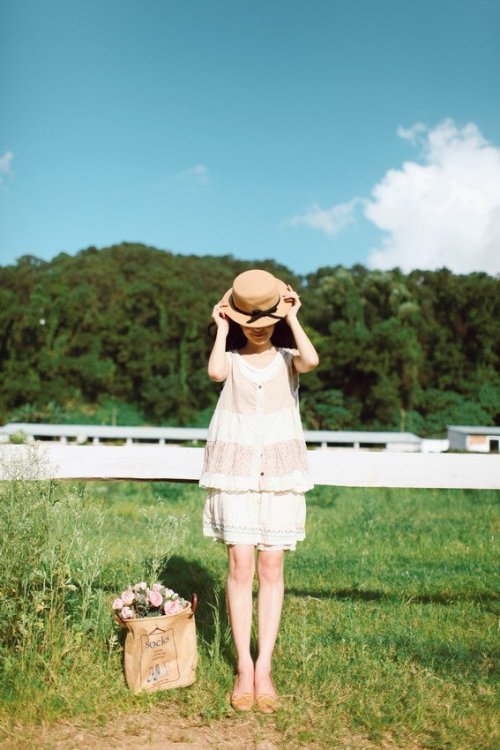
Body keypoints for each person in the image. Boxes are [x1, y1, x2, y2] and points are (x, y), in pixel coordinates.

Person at [199, 269, 319, 713]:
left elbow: (312, 361)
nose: (260, 329)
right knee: (239, 563)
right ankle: (244, 668)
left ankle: (264, 667)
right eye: (252, 323)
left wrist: (294, 318)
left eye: (266, 321)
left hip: (278, 471)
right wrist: (224, 327)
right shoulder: (229, 361)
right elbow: (214, 372)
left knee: (271, 566)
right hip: (235, 472)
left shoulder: (288, 358)